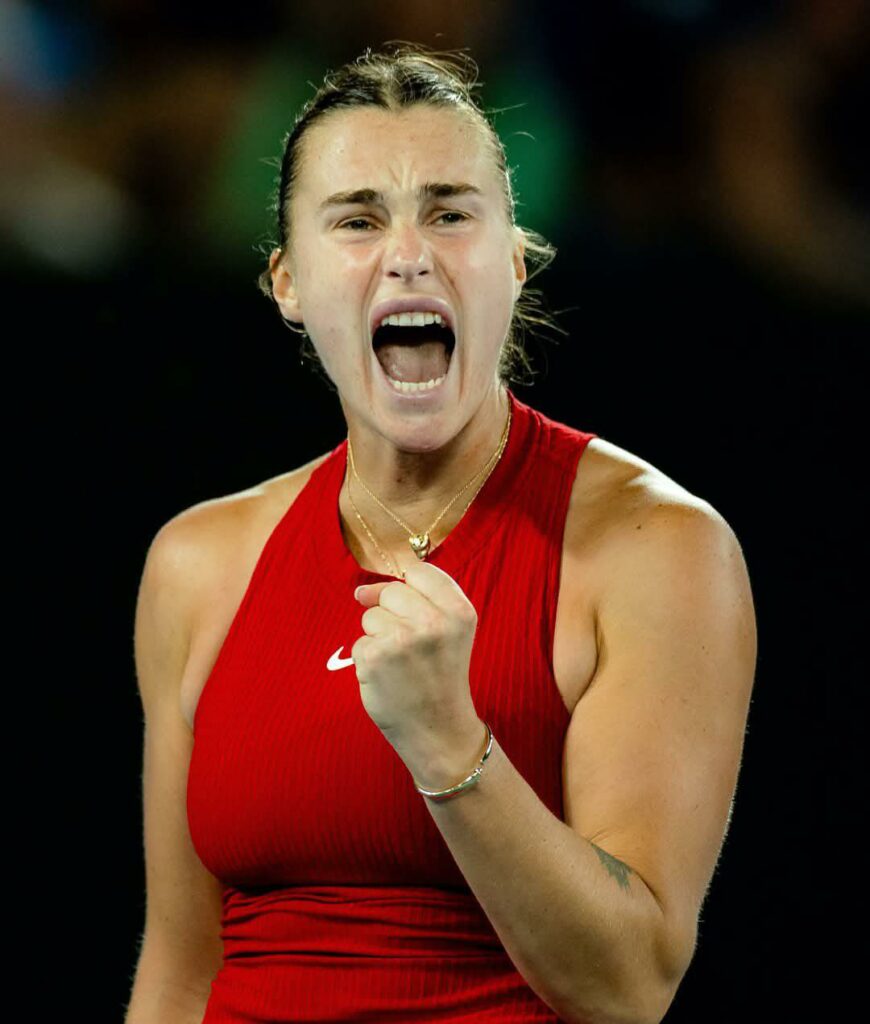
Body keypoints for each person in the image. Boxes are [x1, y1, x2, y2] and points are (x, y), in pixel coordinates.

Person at [125, 42, 757, 1024]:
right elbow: (178, 972)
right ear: (288, 283)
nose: (409, 253)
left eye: (451, 213)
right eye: (358, 219)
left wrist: (448, 744)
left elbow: (627, 985)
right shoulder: (198, 564)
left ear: (514, 264)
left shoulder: (657, 548)